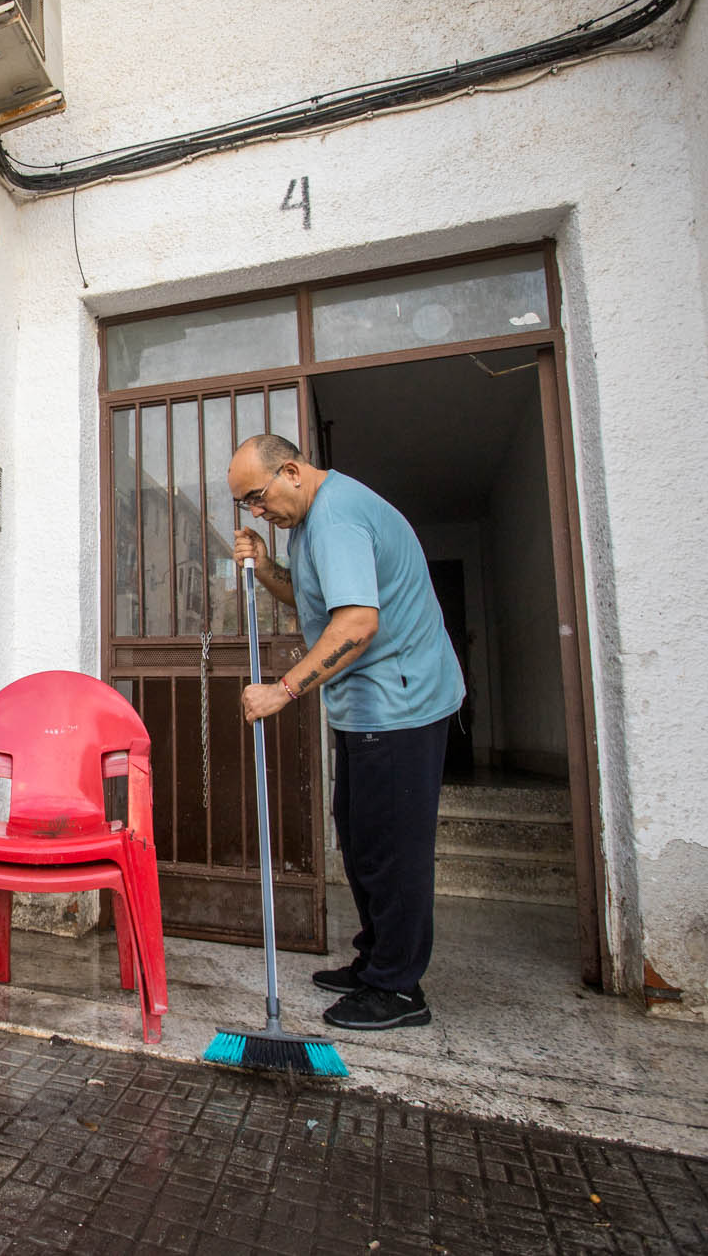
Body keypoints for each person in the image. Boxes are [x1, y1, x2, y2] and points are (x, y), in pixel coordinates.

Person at [226, 434, 463, 1030]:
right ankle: (377, 959)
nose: (257, 511)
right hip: (366, 708)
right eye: (245, 508)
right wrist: (265, 565)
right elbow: (309, 598)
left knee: (393, 851)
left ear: (291, 471)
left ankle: (399, 989)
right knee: (360, 840)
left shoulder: (337, 517)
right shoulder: (310, 525)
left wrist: (283, 690)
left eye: (256, 498)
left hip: (400, 707)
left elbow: (357, 623)